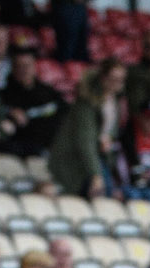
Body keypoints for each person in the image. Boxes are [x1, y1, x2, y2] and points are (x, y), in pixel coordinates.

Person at [49, 57, 126, 200]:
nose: (116, 84)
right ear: (103, 78)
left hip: (100, 157)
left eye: (120, 80)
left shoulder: (114, 102)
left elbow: (110, 133)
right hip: (76, 161)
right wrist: (96, 175)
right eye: (113, 79)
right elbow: (86, 142)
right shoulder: (86, 103)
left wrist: (107, 140)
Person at [2, 43, 65, 159]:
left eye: (27, 65)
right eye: (19, 66)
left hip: (54, 149)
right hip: (22, 153)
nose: (24, 70)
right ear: (13, 68)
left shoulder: (49, 92)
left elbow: (65, 112)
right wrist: (9, 112)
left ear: (34, 66)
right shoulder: (4, 95)